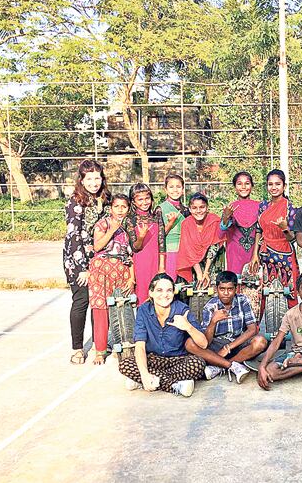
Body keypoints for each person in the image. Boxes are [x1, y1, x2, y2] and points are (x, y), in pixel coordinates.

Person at [118, 273, 208, 397]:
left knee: (197, 364)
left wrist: (188, 327)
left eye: (169, 290)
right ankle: (174, 385)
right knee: (124, 365)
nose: (165, 295)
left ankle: (146, 381)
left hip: (178, 360)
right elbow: (140, 346)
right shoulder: (143, 310)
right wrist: (144, 374)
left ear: (173, 293)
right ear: (151, 293)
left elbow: (204, 344)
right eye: (159, 290)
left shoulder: (182, 309)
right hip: (154, 359)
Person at [63, 159, 111, 365]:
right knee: (81, 301)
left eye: (97, 178)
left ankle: (100, 344)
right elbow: (73, 236)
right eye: (89, 179)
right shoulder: (76, 202)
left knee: (99, 303)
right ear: (81, 180)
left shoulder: (105, 199)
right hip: (78, 260)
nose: (94, 183)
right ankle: (77, 348)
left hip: (100, 259)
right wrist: (83, 268)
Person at [185, 271, 268, 383]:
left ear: (236, 289)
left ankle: (219, 367)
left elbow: (252, 329)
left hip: (238, 344)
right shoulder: (210, 306)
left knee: (261, 342)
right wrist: (213, 322)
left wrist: (228, 347)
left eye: (230, 289)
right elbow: (206, 342)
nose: (226, 293)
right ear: (216, 289)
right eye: (222, 289)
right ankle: (231, 366)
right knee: (190, 343)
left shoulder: (243, 300)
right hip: (216, 346)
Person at [88, 194, 135, 365]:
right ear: (111, 208)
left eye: (124, 206)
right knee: (101, 310)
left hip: (121, 271)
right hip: (101, 271)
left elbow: (131, 255)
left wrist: (132, 278)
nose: (120, 210)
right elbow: (97, 246)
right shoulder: (103, 224)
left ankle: (120, 347)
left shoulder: (128, 228)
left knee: (121, 309)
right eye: (117, 206)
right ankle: (100, 351)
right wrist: (112, 230)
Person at [249, 169, 299, 308]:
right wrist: (255, 254)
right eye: (270, 184)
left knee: (289, 291)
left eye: (278, 184)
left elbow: (292, 238)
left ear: (284, 186)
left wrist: (284, 228)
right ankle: (260, 322)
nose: (274, 187)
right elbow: (259, 230)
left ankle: (292, 321)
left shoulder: (290, 208)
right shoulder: (263, 206)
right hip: (265, 253)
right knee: (262, 292)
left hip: (285, 255)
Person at [125, 183, 166, 304]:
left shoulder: (156, 215)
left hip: (156, 260)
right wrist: (142, 236)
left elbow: (162, 242)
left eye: (147, 198)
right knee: (143, 296)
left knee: (159, 295)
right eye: (140, 199)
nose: (144, 202)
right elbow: (135, 248)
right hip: (140, 262)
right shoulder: (130, 219)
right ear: (133, 202)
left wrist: (162, 266)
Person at [177, 193, 224, 288]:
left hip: (213, 261)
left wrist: (206, 272)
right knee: (196, 290)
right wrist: (199, 274)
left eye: (202, 207)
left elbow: (215, 245)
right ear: (190, 209)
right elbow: (189, 250)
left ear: (207, 208)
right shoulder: (186, 224)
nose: (198, 211)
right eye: (194, 208)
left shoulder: (214, 220)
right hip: (193, 264)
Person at [219, 171, 260, 273]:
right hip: (235, 256)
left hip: (255, 255)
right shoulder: (230, 208)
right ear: (234, 187)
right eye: (239, 184)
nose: (243, 187)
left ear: (252, 186)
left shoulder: (260, 206)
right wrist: (226, 217)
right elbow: (221, 233)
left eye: (247, 183)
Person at [158, 174, 190, 280]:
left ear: (183, 189)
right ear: (165, 189)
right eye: (171, 187)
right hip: (170, 251)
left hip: (185, 251)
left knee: (184, 284)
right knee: (170, 281)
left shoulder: (186, 210)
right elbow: (159, 236)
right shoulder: (160, 209)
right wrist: (170, 223)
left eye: (178, 186)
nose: (175, 190)